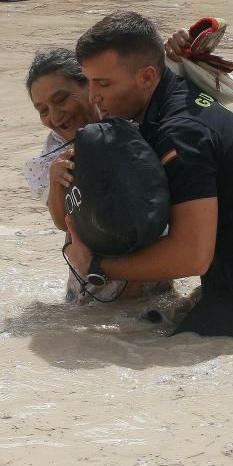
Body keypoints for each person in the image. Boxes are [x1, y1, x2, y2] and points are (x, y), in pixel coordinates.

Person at [65, 11, 233, 338]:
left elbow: (191, 256)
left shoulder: (182, 133)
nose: (93, 98)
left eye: (103, 84)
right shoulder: (173, 97)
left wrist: (96, 267)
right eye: (89, 82)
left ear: (147, 78)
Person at [25, 48, 171, 302]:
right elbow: (63, 224)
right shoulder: (55, 152)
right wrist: (55, 178)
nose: (55, 116)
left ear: (90, 86)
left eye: (61, 99)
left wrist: (177, 49)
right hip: (92, 287)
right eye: (43, 110)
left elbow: (154, 73)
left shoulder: (129, 122)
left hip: (151, 274)